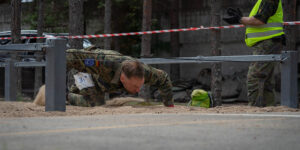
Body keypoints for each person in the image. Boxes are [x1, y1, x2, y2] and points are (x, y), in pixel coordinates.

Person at [66, 46, 174, 107]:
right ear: (123, 78)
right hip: (85, 72)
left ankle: (72, 94)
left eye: (140, 85)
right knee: (95, 104)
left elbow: (164, 78)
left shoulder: (145, 73)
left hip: (102, 82)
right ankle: (65, 96)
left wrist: (169, 104)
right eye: (135, 86)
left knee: (95, 101)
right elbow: (70, 55)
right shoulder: (105, 61)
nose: (138, 90)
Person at [223, 0, 285, 107]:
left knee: (254, 77)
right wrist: (242, 19)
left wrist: (240, 19)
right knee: (266, 80)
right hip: (268, 42)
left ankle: (254, 107)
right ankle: (268, 107)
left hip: (267, 42)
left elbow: (259, 20)